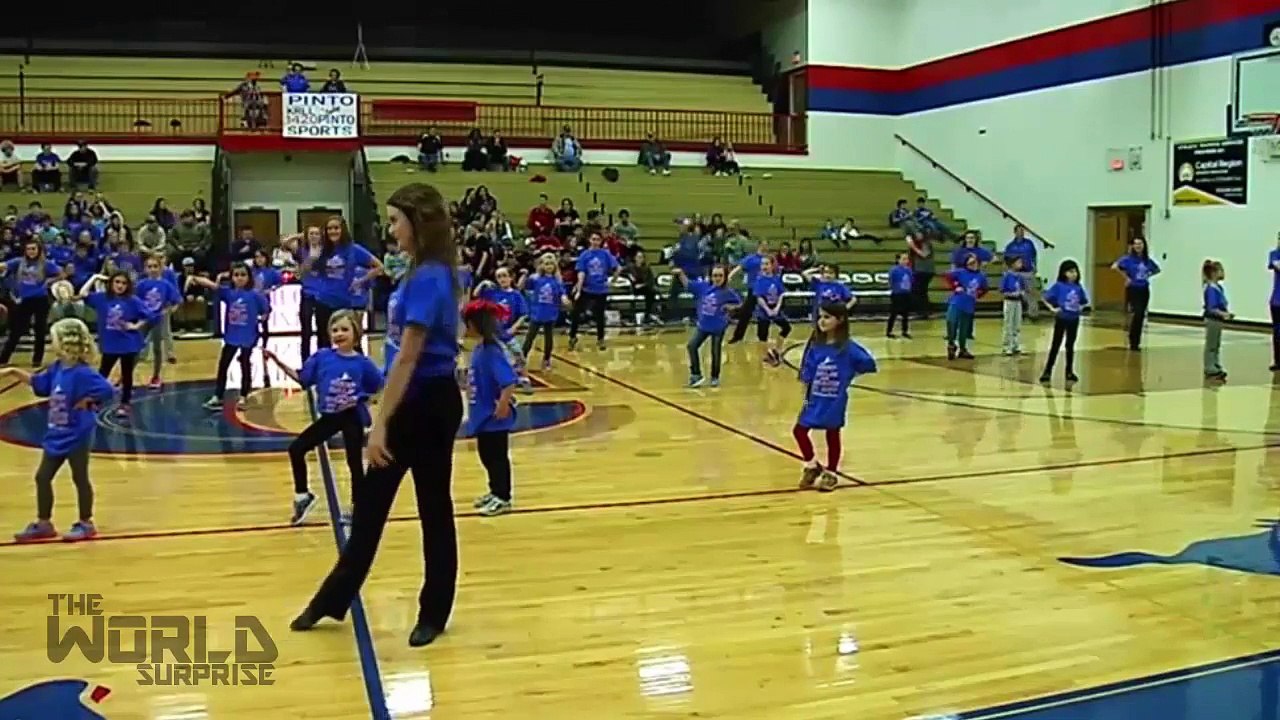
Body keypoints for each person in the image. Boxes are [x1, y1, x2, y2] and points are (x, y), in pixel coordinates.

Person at [290, 182, 464, 648]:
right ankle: (333, 598)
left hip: (425, 403)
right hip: (412, 397)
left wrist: (379, 424)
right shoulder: (419, 271)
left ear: (417, 223)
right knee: (370, 508)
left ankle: (434, 612)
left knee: (433, 508)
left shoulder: (430, 277)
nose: (390, 229)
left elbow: (407, 358)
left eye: (394, 220)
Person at [264, 310, 384, 525]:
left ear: (356, 334)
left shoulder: (364, 364)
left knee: (354, 463)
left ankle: (360, 508)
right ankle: (303, 496)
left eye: (344, 329)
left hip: (351, 416)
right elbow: (302, 379)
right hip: (330, 417)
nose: (339, 334)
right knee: (296, 448)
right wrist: (276, 361)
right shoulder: (322, 357)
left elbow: (378, 386)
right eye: (335, 330)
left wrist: (367, 401)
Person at [4, 318, 114, 542]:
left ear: (65, 343)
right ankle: (44, 523)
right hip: (57, 432)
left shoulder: (83, 373)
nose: (50, 343)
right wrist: (14, 371)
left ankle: (86, 523)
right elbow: (39, 384)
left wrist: (89, 400)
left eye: (53, 339)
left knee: (79, 476)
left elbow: (107, 389)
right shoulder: (57, 368)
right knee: (42, 477)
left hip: (78, 432)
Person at [794, 303, 877, 492]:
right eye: (820, 317)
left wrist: (849, 376)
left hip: (834, 399)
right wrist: (805, 393)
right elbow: (808, 371)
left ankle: (831, 472)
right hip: (815, 397)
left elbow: (868, 363)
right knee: (799, 431)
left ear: (839, 320)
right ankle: (811, 465)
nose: (822, 321)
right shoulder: (816, 346)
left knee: (832, 434)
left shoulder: (848, 347)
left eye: (827, 317)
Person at [462, 300, 520, 517]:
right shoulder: (480, 349)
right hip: (482, 413)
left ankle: (503, 496)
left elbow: (508, 381)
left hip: (494, 416)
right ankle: (494, 490)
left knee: (496, 457)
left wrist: (503, 404)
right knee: (486, 454)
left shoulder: (492, 351)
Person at [187, 264, 270, 410]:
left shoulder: (255, 295)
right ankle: (218, 396)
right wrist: (194, 278)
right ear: (232, 277)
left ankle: (244, 396)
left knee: (245, 365)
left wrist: (261, 318)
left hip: (248, 336)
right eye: (236, 275)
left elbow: (266, 310)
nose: (239, 278)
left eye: (243, 275)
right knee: (223, 365)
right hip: (232, 336)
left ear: (249, 277)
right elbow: (212, 285)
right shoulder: (229, 293)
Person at [79, 271, 156, 418]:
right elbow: (83, 294)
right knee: (103, 373)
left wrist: (136, 326)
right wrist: (94, 277)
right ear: (111, 283)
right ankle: (97, 399)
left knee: (127, 375)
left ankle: (125, 403)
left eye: (123, 283)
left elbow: (150, 315)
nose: (120, 286)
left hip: (128, 343)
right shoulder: (102, 298)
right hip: (110, 343)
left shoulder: (133, 300)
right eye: (117, 282)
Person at [674, 265, 740, 388]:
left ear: (725, 277)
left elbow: (740, 304)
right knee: (692, 346)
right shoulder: (703, 287)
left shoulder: (728, 292)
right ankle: (696, 375)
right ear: (711, 276)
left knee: (715, 351)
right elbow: (688, 284)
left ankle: (715, 377)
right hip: (703, 325)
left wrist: (731, 308)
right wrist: (681, 273)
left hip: (718, 326)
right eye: (715, 275)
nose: (718, 278)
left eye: (720, 276)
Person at [0, 239, 63, 367]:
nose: (31, 251)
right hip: (24, 300)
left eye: (33, 249)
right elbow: (3, 266)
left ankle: (37, 360)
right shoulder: (18, 261)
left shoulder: (46, 263)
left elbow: (61, 273)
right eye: (29, 249)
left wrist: (49, 281)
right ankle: (3, 358)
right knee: (16, 330)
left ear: (38, 250)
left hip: (40, 299)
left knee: (40, 330)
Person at [1039, 260, 1090, 385]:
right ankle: (1048, 371)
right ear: (1064, 273)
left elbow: (1084, 301)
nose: (1073, 274)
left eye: (1075, 271)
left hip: (1074, 319)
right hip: (1062, 318)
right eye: (1070, 271)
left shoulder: (1078, 287)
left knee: (1070, 345)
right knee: (1056, 344)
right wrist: (1053, 308)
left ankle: (1069, 371)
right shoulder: (1059, 286)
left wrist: (1080, 308)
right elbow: (1045, 297)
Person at [136, 255, 182, 389]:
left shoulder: (166, 285)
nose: (153, 269)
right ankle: (125, 377)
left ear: (161, 268)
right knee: (135, 347)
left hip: (158, 318)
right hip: (144, 318)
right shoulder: (141, 284)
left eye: (155, 266)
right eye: (149, 267)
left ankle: (156, 376)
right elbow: (135, 300)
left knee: (157, 348)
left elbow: (177, 301)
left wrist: (168, 311)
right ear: (145, 269)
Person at [568, 232, 619, 351]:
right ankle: (572, 337)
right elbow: (581, 273)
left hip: (601, 290)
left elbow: (617, 268)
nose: (595, 242)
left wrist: (612, 281)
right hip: (586, 288)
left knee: (599, 316)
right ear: (589, 240)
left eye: (598, 239)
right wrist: (579, 289)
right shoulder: (585, 255)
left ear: (601, 241)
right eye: (593, 239)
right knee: (576, 313)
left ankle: (600, 339)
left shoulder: (605, 254)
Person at [521, 253, 570, 371]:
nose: (549, 266)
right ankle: (522, 358)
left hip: (551, 312)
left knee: (549, 338)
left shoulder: (557, 281)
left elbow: (562, 293)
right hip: (537, 312)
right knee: (530, 336)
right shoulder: (536, 278)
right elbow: (524, 286)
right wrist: (524, 275)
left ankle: (546, 359)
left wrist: (564, 299)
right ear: (541, 265)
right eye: (546, 264)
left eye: (551, 264)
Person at [1111, 237, 1161, 351]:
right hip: (1133, 289)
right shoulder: (1128, 259)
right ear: (1133, 246)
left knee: (1141, 314)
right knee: (1137, 313)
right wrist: (1126, 277)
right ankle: (1132, 339)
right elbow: (1115, 266)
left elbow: (1157, 269)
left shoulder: (1146, 260)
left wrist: (1147, 275)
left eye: (1140, 243)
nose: (1138, 246)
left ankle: (1136, 341)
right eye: (1136, 244)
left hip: (1144, 289)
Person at [945, 253, 988, 360]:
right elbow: (947, 276)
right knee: (951, 322)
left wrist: (978, 294)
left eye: (975, 262)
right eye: (970, 263)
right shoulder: (960, 272)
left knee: (964, 328)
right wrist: (956, 286)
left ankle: (963, 349)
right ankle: (951, 345)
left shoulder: (981, 276)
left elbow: (985, 288)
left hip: (969, 304)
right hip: (957, 301)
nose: (973, 265)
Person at [752, 255, 790, 366]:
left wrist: (777, 308)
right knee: (763, 334)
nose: (764, 266)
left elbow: (781, 294)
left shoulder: (776, 279)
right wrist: (768, 310)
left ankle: (777, 350)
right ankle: (766, 355)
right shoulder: (759, 280)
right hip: (763, 311)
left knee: (786, 328)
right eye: (762, 264)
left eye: (767, 264)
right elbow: (759, 298)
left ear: (772, 265)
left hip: (775, 308)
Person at [1202, 259, 1231, 381]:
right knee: (1211, 345)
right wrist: (1223, 314)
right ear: (1214, 273)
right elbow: (1211, 307)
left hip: (1218, 320)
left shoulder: (1218, 287)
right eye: (1221, 271)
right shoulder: (1211, 289)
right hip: (1213, 319)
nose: (1223, 273)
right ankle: (1209, 367)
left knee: (1216, 344)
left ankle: (1215, 364)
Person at [1000, 257, 1027, 356]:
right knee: (1008, 323)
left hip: (1018, 302)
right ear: (1012, 264)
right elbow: (1002, 290)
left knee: (1017, 323)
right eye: (1018, 262)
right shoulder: (1007, 276)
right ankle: (1007, 346)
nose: (1020, 264)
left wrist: (1022, 293)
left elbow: (1023, 288)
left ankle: (1016, 345)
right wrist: (1012, 294)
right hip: (1009, 301)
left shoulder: (1020, 277)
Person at [885, 253, 913, 339]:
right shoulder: (894, 270)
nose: (905, 261)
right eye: (903, 259)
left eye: (907, 259)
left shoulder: (909, 270)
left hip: (906, 294)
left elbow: (911, 280)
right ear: (898, 260)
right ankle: (889, 331)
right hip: (897, 294)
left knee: (906, 314)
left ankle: (905, 331)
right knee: (894, 313)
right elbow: (891, 281)